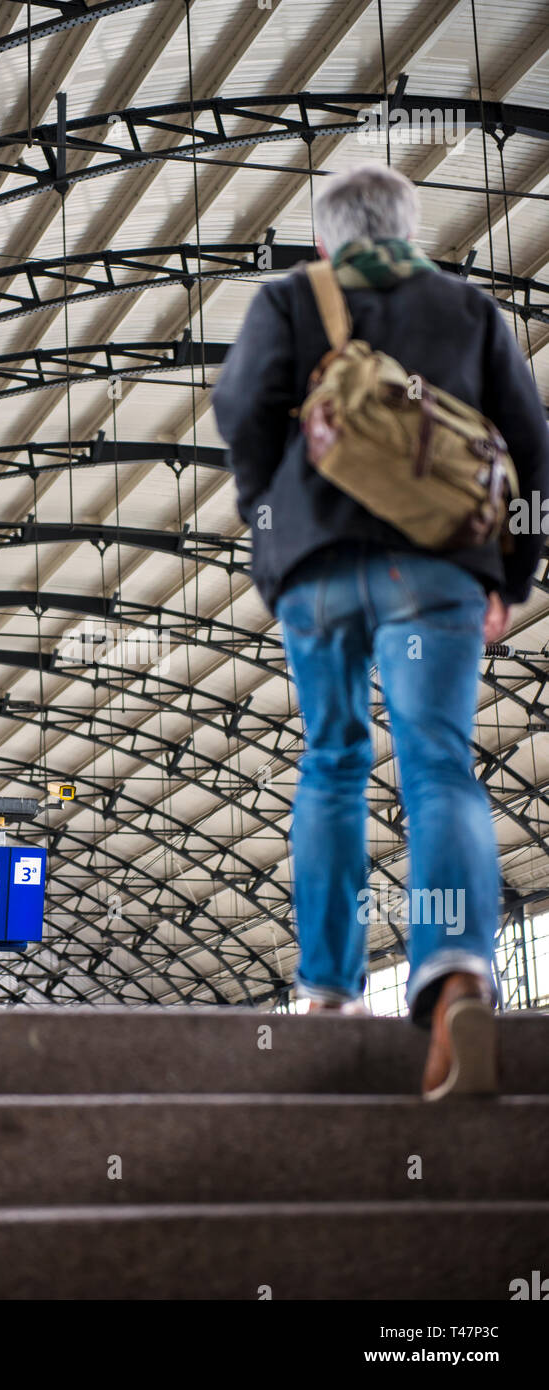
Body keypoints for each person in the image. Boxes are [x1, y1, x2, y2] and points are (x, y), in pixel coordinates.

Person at [212, 163, 549, 1098]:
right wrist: (510, 577)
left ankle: (328, 993)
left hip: (317, 574)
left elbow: (238, 410)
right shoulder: (467, 311)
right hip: (437, 570)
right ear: (410, 229)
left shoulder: (290, 299)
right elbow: (532, 450)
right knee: (437, 763)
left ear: (327, 241)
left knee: (331, 761)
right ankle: (453, 976)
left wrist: (268, 519)